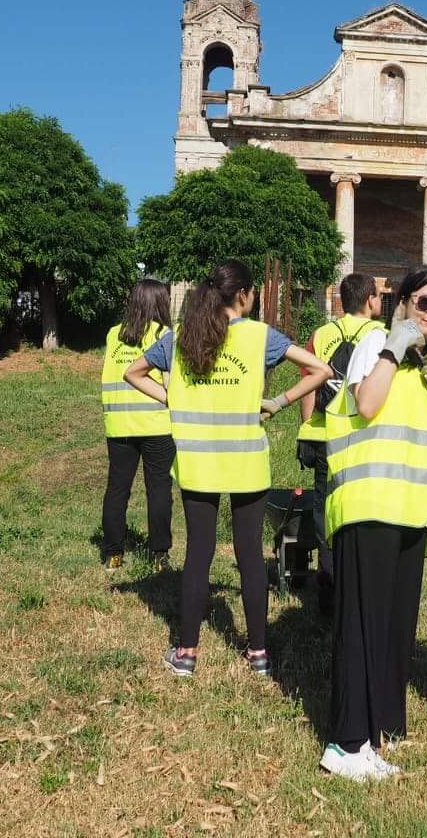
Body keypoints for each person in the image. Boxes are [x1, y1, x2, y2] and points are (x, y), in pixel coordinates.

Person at [123, 260, 332, 678]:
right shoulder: (259, 337)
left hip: (198, 463)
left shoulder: (183, 336)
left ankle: (185, 652)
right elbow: (321, 370)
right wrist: (280, 402)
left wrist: (171, 399)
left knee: (197, 555)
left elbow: (133, 373)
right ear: (245, 294)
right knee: (250, 555)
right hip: (246, 464)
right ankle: (258, 655)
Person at [319, 265, 427, 782]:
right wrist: (393, 349)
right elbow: (368, 402)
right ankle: (346, 743)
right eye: (425, 302)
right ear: (402, 300)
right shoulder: (376, 341)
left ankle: (380, 729)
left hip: (409, 510)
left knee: (395, 626)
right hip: (370, 504)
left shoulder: (423, 365)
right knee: (361, 626)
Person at [296, 273, 385, 614]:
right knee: (358, 514)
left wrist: (307, 429)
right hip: (361, 439)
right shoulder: (381, 335)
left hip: (323, 434)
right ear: (369, 300)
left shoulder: (322, 334)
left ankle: (328, 586)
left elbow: (308, 383)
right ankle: (357, 589)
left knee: (324, 514)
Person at [99, 278, 175, 571]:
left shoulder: (113, 335)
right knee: (158, 489)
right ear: (160, 302)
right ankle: (159, 556)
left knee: (117, 489)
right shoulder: (165, 335)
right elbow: (170, 384)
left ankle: (114, 554)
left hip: (118, 425)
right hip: (156, 424)